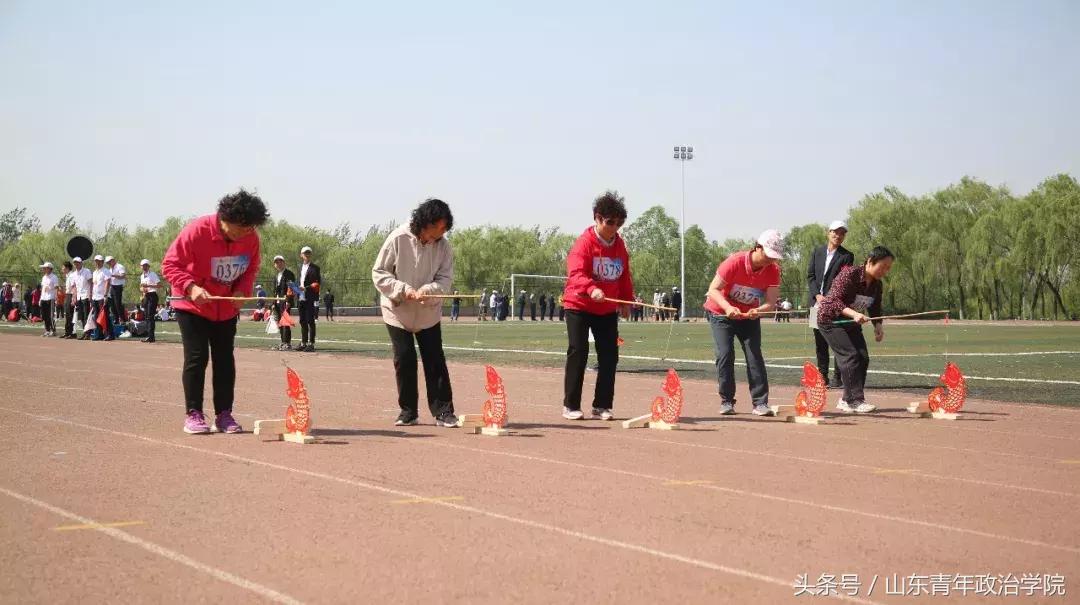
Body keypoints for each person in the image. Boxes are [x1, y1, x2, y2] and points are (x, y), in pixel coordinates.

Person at [161, 188, 267, 434]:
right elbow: (169, 264)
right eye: (241, 228)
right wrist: (191, 287)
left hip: (225, 309)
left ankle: (224, 414)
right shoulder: (196, 231)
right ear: (225, 219)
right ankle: (194, 414)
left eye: (251, 228)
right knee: (197, 357)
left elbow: (251, 268)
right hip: (192, 306)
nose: (246, 233)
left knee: (224, 360)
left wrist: (242, 290)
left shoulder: (251, 238)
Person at [372, 197, 459, 428]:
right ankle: (408, 411)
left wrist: (428, 291)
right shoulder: (398, 238)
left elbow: (445, 279)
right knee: (404, 358)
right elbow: (379, 272)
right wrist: (403, 289)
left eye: (445, 229)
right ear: (425, 222)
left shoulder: (443, 247)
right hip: (397, 310)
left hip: (427, 312)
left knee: (434, 359)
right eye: (438, 227)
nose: (441, 233)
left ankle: (444, 411)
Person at [562, 190, 634, 421]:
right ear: (597, 218)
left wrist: (626, 300)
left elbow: (624, 275)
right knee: (578, 351)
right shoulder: (584, 244)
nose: (614, 228)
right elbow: (576, 273)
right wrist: (592, 288)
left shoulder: (620, 246)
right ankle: (571, 405)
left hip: (606, 309)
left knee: (609, 355)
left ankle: (602, 405)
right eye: (610, 222)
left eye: (619, 223)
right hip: (579, 305)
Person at [704, 230, 784, 416]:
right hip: (721, 314)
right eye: (768, 255)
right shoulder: (734, 262)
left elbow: (771, 302)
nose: (770, 261)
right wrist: (727, 308)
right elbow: (713, 289)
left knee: (754, 355)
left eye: (774, 257)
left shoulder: (773, 270)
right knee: (725, 354)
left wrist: (759, 310)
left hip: (749, 317)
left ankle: (760, 403)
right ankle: (726, 401)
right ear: (757, 247)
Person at [816, 246, 894, 414]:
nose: (885, 271)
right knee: (850, 356)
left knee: (863, 357)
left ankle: (847, 399)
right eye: (883, 266)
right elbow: (832, 301)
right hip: (830, 320)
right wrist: (853, 314)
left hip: (850, 323)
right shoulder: (849, 274)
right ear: (870, 261)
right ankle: (854, 400)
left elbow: (875, 308)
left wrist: (878, 326)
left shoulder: (876, 285)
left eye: (888, 268)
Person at [807, 220, 855, 388]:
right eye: (835, 232)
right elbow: (810, 276)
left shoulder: (847, 256)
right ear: (828, 233)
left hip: (834, 304)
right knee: (820, 343)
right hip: (815, 304)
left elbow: (843, 281)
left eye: (842, 233)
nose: (838, 235)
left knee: (837, 341)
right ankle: (823, 378)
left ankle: (838, 378)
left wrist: (829, 298)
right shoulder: (817, 252)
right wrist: (817, 295)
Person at [295, 246, 322, 352]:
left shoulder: (315, 268)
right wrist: (294, 287)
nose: (307, 255)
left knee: (310, 320)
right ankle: (303, 342)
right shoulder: (299, 268)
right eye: (305, 253)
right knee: (302, 320)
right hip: (300, 297)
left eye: (309, 253)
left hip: (309, 297)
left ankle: (311, 343)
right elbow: (299, 282)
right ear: (301, 255)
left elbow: (317, 283)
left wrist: (305, 288)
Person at [272, 255, 296, 350]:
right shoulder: (276, 276)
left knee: (285, 322)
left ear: (284, 262)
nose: (278, 264)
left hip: (285, 301)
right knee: (280, 323)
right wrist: (273, 304)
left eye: (280, 261)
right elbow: (275, 291)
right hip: (277, 302)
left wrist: (289, 301)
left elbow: (291, 288)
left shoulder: (289, 274)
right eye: (276, 262)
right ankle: (282, 342)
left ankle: (287, 343)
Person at [90, 255, 114, 341]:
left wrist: (105, 295)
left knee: (105, 316)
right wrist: (91, 296)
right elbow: (94, 284)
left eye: (99, 261)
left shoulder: (106, 271)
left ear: (102, 262)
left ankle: (110, 334)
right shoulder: (94, 272)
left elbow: (108, 282)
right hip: (95, 297)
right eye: (96, 261)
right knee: (97, 316)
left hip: (103, 297)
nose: (97, 262)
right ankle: (99, 334)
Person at [139, 259, 161, 343]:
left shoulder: (152, 274)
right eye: (143, 265)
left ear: (148, 266)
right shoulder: (142, 276)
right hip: (146, 296)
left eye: (145, 265)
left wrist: (148, 285)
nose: (144, 267)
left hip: (152, 296)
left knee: (150, 316)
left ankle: (151, 337)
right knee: (147, 316)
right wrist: (142, 289)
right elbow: (142, 287)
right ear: (141, 266)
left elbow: (159, 285)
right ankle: (150, 336)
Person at [72, 257, 93, 339]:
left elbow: (91, 283)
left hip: (86, 296)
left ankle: (88, 333)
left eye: (78, 262)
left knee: (86, 315)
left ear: (81, 263)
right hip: (79, 297)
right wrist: (74, 297)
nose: (76, 264)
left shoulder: (86, 271)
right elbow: (74, 287)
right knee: (81, 316)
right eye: (75, 263)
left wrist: (91, 294)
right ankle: (85, 332)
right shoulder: (74, 274)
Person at [105, 256, 127, 326]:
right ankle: (116, 318)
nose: (109, 263)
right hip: (112, 286)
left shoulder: (119, 266)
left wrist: (113, 275)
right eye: (107, 262)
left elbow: (123, 276)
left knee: (118, 304)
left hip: (118, 287)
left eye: (109, 262)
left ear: (113, 260)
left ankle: (122, 319)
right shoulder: (110, 268)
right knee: (112, 304)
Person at [38, 262, 58, 336]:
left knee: (50, 316)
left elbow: (56, 288)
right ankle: (47, 330)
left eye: (45, 268)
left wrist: (56, 298)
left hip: (51, 298)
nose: (43, 269)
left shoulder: (54, 277)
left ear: (50, 268)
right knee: (44, 316)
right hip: (44, 298)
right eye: (43, 268)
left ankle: (53, 330)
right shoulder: (44, 277)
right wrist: (40, 299)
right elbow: (43, 289)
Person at [61, 261, 77, 338]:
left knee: (70, 315)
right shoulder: (68, 276)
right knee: (67, 315)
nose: (62, 269)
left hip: (71, 295)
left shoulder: (72, 275)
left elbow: (74, 287)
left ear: (67, 268)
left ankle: (72, 333)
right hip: (67, 295)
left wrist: (73, 298)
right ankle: (67, 332)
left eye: (63, 267)